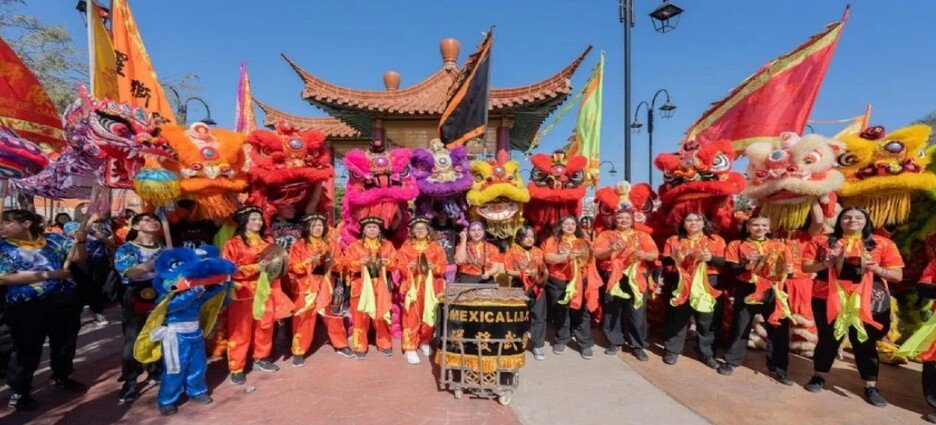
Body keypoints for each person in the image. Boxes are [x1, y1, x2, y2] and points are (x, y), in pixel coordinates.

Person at [801, 207, 903, 407]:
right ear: (840, 220)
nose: (852, 221)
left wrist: (876, 268)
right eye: (847, 217)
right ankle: (818, 377)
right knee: (828, 338)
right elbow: (805, 266)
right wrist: (825, 264)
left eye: (858, 217)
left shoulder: (883, 243)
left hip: (867, 299)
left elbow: (897, 276)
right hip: (827, 296)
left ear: (866, 221)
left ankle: (871, 386)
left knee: (864, 342)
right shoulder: (823, 241)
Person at [0, 209, 90, 411]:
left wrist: (81, 242)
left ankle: (62, 376)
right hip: (26, 303)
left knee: (65, 342)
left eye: (7, 222)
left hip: (63, 298)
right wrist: (48, 275)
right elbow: (3, 277)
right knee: (25, 348)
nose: (2, 226)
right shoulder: (3, 248)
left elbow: (78, 258)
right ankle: (19, 389)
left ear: (26, 224)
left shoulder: (53, 240)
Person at [720, 216, 796, 381]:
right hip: (747, 288)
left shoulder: (780, 246)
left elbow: (790, 271)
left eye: (764, 225)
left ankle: (778, 368)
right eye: (755, 225)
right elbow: (731, 269)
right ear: (748, 227)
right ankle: (731, 361)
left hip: (774, 289)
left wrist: (787, 269)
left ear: (769, 228)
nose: (760, 228)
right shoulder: (736, 245)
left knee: (778, 329)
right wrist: (746, 266)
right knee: (740, 325)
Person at [222, 205, 283, 384]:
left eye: (260, 219)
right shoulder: (233, 243)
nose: (258, 222)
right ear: (244, 222)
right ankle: (237, 366)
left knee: (264, 327)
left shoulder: (267, 242)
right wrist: (255, 267)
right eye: (254, 219)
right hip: (243, 292)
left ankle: (261, 357)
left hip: (265, 290)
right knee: (240, 330)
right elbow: (228, 269)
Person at [661, 213, 727, 368]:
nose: (693, 223)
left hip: (708, 281)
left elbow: (725, 262)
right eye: (689, 220)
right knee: (678, 318)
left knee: (707, 319)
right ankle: (672, 350)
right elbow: (664, 260)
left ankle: (707, 354)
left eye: (698, 220)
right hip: (681, 281)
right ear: (683, 224)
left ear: (704, 223)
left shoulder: (716, 240)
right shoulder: (674, 240)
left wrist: (711, 258)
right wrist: (675, 256)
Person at [287, 213, 353, 366]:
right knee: (303, 319)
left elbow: (341, 262)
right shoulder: (300, 244)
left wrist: (331, 261)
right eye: (314, 225)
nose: (317, 228)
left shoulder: (330, 243)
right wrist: (307, 262)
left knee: (333, 317)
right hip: (306, 287)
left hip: (327, 285)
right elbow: (293, 267)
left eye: (320, 225)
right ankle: (298, 351)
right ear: (308, 227)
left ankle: (341, 344)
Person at [593, 209, 658, 361]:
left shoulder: (642, 235)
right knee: (613, 309)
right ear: (614, 220)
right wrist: (611, 250)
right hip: (613, 275)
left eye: (626, 218)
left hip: (636, 276)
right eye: (620, 217)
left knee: (637, 310)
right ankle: (615, 341)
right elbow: (597, 254)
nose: (623, 220)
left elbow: (654, 254)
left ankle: (638, 345)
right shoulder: (606, 235)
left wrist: (644, 255)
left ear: (632, 220)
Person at [113, 212, 165, 404]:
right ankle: (130, 379)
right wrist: (156, 262)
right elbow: (132, 273)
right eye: (147, 220)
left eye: (155, 220)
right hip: (137, 294)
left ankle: (156, 370)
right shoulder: (126, 249)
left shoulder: (164, 247)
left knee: (159, 333)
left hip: (162, 294)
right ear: (135, 226)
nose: (153, 222)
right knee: (134, 338)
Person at [338, 216, 396, 358]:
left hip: (380, 285)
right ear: (363, 230)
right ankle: (360, 345)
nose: (372, 229)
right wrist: (359, 263)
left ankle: (384, 343)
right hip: (360, 286)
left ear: (379, 230)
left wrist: (386, 262)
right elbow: (347, 264)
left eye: (375, 227)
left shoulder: (387, 245)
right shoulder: (355, 246)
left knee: (381, 314)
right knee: (360, 316)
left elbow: (395, 263)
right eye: (369, 227)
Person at [393, 217, 446, 365]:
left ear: (428, 230)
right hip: (413, 286)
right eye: (417, 228)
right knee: (411, 315)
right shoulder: (406, 247)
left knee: (429, 314)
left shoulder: (436, 247)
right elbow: (401, 266)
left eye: (423, 228)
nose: (420, 230)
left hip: (431, 287)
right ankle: (410, 347)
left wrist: (433, 266)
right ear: (412, 232)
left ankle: (424, 341)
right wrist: (410, 267)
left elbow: (442, 267)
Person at [542, 215, 596, 359]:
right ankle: (562, 339)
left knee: (581, 311)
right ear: (561, 225)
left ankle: (584, 343)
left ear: (576, 226)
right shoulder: (553, 240)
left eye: (573, 223)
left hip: (579, 280)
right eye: (566, 223)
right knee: (561, 311)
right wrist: (566, 257)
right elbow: (548, 257)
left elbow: (590, 258)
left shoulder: (583, 241)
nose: (570, 226)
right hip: (558, 280)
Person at [503, 226, 547, 360]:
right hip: (519, 287)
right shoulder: (512, 251)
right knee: (518, 316)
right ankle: (516, 343)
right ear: (519, 238)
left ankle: (537, 345)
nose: (529, 239)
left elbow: (542, 268)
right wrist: (522, 273)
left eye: (532, 236)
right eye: (526, 236)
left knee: (539, 316)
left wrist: (543, 274)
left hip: (537, 287)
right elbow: (508, 271)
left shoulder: (539, 251)